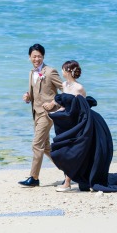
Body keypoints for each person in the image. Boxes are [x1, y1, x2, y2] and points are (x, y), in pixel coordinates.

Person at [19, 43, 62, 187]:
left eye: (39, 56)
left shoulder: (50, 72)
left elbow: (65, 89)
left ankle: (34, 178)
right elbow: (35, 93)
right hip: (36, 113)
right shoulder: (31, 73)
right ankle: (69, 170)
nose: (36, 59)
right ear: (29, 57)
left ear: (43, 56)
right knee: (46, 147)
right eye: (34, 56)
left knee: (37, 144)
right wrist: (28, 97)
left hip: (47, 114)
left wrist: (54, 103)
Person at [44, 60, 86, 192]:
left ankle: (67, 182)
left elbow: (82, 108)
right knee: (62, 150)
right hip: (62, 122)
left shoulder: (79, 88)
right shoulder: (64, 85)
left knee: (70, 152)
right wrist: (53, 108)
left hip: (74, 124)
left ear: (68, 71)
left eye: (63, 69)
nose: (61, 72)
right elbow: (62, 103)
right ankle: (68, 179)